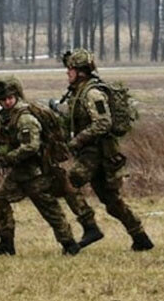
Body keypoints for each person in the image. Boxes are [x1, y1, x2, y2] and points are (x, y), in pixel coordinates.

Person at [61, 49, 153, 251]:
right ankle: (140, 237)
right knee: (111, 201)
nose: (67, 73)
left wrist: (77, 140)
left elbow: (103, 122)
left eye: (71, 69)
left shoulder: (92, 93)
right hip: (96, 153)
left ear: (81, 72)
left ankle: (90, 226)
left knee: (68, 183)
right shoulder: (79, 92)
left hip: (96, 152)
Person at [0, 76, 80, 257]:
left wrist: (8, 158)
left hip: (35, 172)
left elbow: (31, 147)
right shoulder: (9, 116)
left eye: (9, 98)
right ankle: (6, 242)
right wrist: (0, 151)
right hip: (20, 171)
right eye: (2, 100)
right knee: (1, 200)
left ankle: (69, 244)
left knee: (49, 209)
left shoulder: (25, 118)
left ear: (16, 96)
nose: (6, 102)